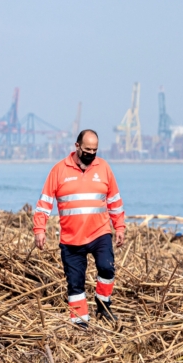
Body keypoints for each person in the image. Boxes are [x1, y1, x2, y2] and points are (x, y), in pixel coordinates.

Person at [33, 129, 126, 327]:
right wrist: (39, 230)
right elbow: (44, 203)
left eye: (95, 150)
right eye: (87, 149)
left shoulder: (104, 168)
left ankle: (103, 306)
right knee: (75, 284)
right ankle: (80, 322)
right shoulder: (59, 170)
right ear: (77, 147)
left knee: (106, 268)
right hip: (71, 239)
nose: (91, 154)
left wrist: (120, 227)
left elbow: (115, 201)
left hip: (99, 233)